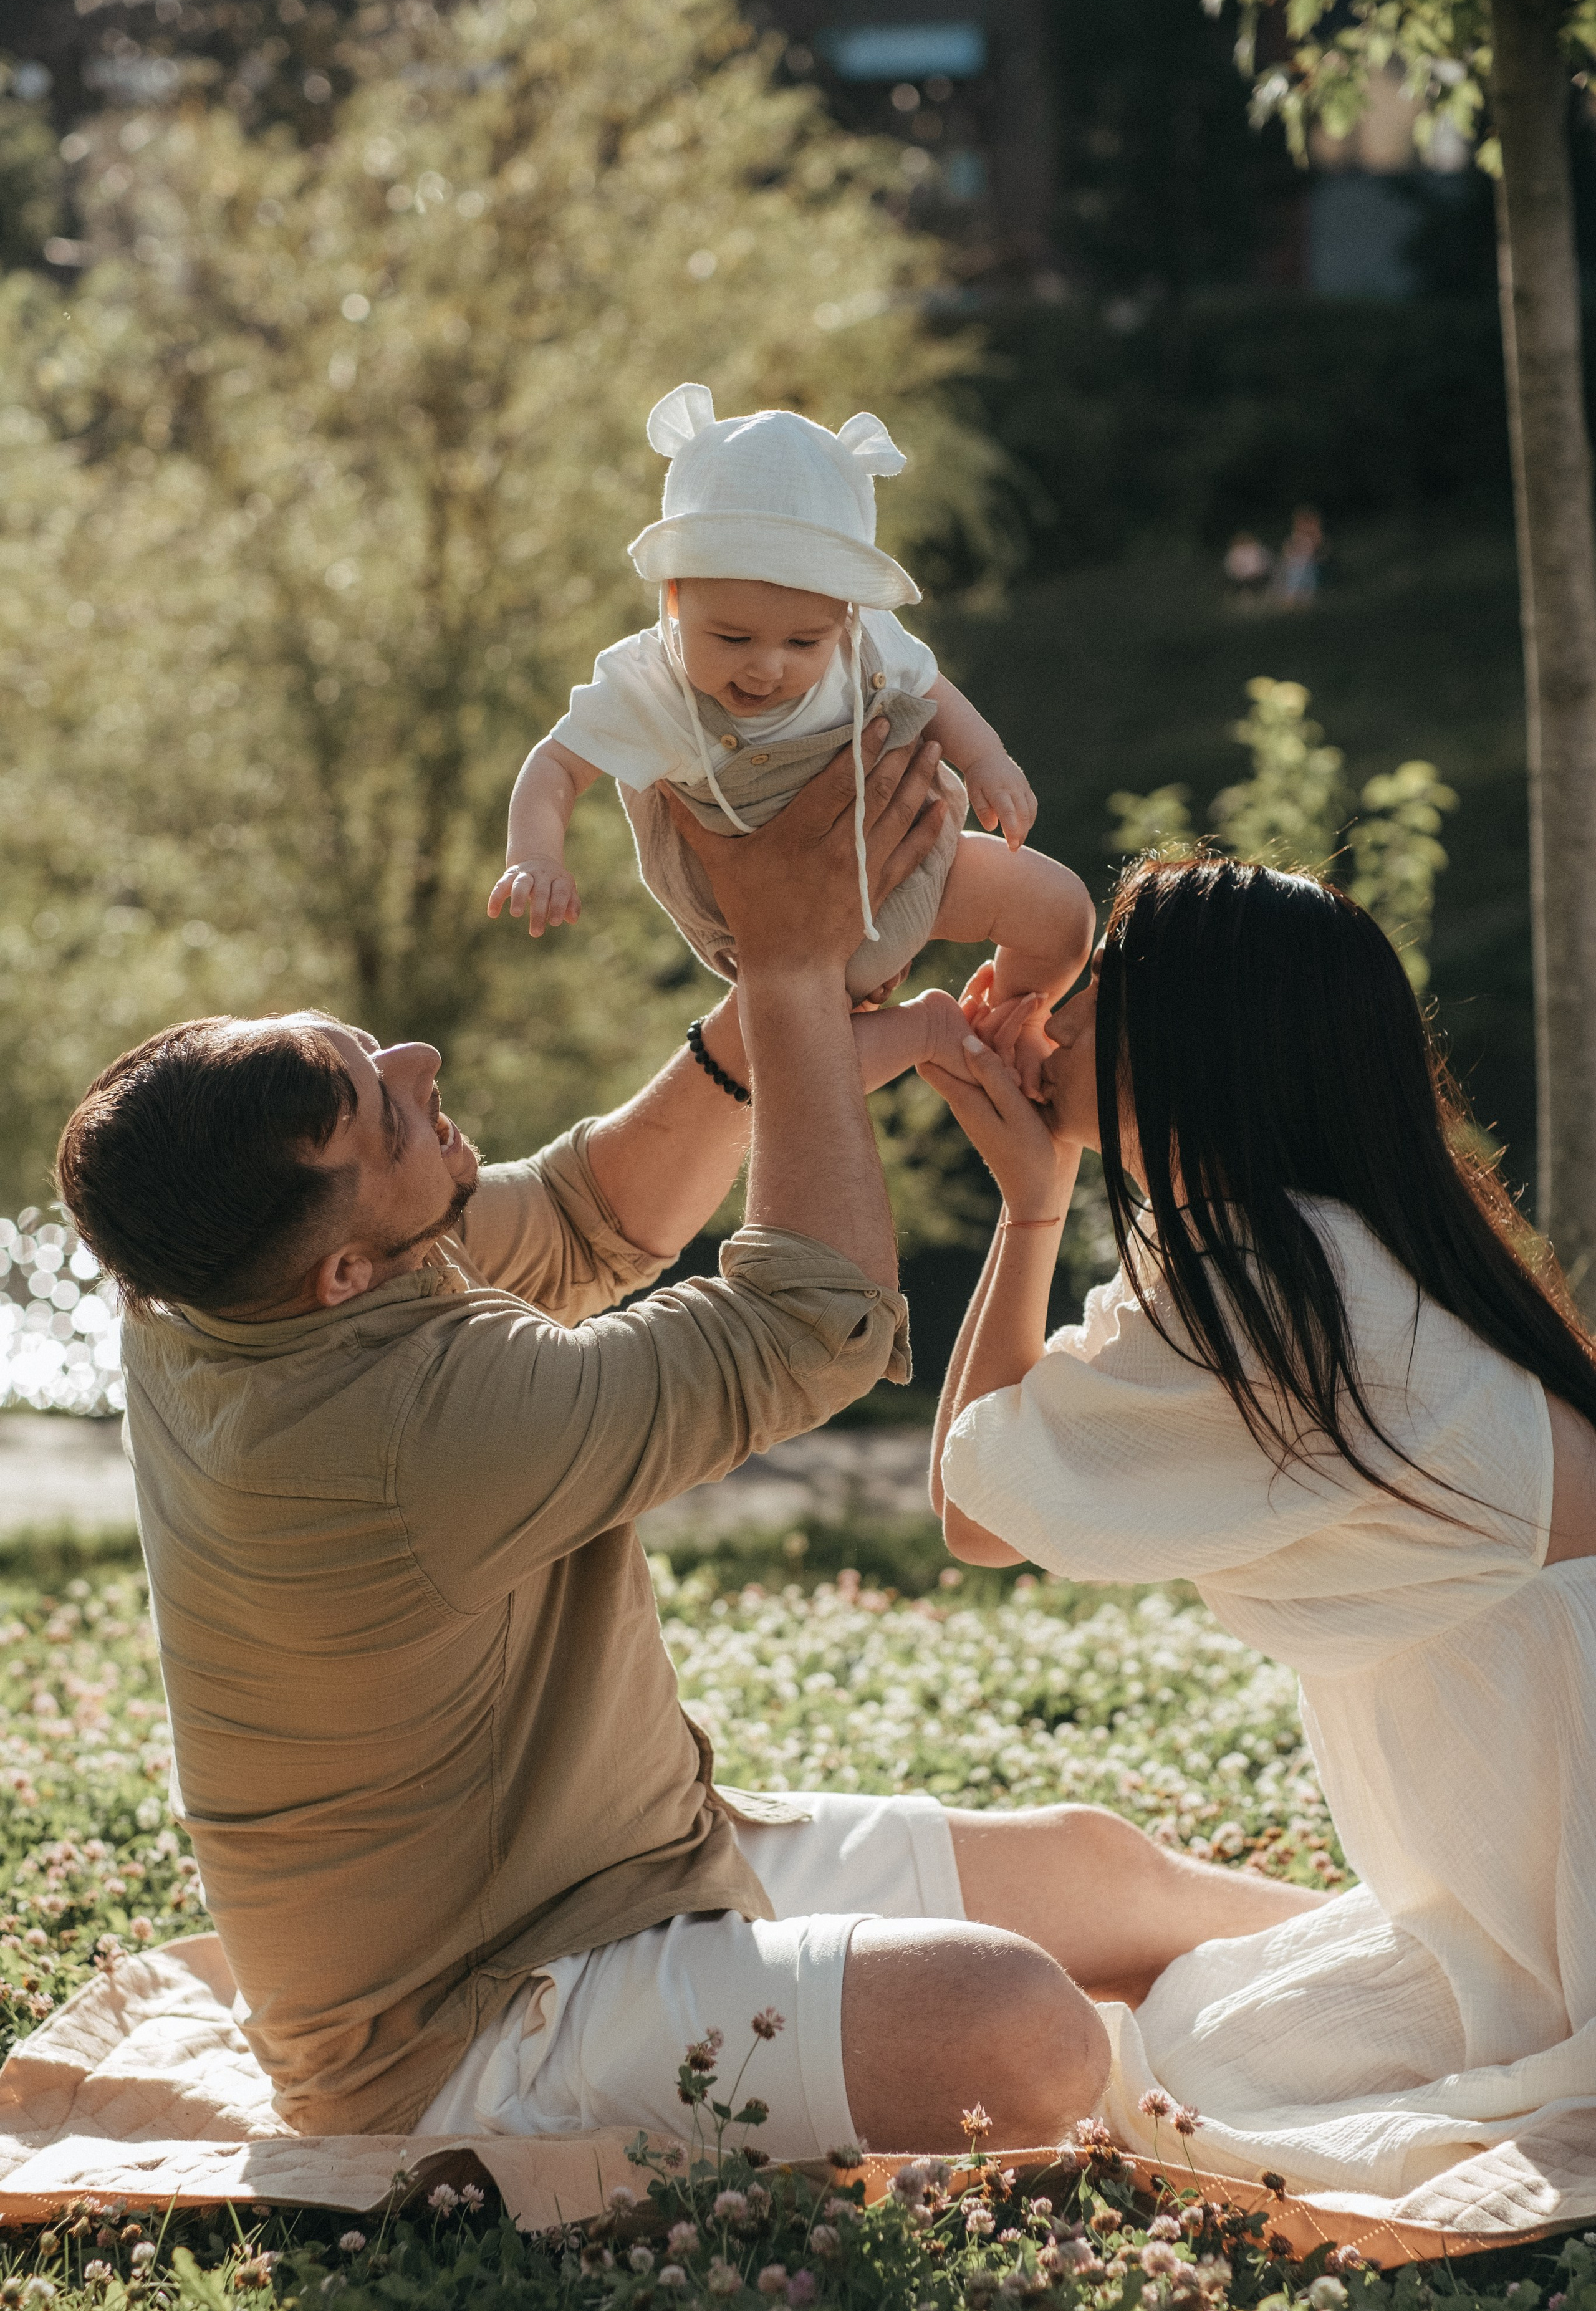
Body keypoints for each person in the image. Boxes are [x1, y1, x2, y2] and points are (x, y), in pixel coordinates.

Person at [53, 745, 1303, 2162]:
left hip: (630, 1866)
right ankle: (1285, 2055)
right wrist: (784, 979)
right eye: (383, 1105)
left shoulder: (230, 1292)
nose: (420, 1061)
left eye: (367, 1048)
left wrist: (775, 1018)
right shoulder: (404, 1434)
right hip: (474, 2024)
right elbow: (804, 1323)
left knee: (1097, 1866)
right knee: (1011, 2024)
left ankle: (1423, 1969)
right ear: (342, 1269)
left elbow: (592, 1219)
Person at [920, 853, 1596, 2198]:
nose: (1050, 1016)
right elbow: (986, 1482)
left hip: (1555, 1888)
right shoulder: (1287, 1255)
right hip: (1509, 1873)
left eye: (1092, 988)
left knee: (1179, 2081)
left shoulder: (1282, 1292)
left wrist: (1028, 1200)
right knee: (1184, 2022)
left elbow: (970, 1505)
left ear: (1195, 1037)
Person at [487, 382, 1094, 1095]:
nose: (767, 666)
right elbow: (556, 765)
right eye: (732, 636)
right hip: (773, 928)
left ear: (844, 613)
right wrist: (536, 854)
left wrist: (987, 758)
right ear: (676, 596)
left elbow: (931, 688)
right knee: (806, 1070)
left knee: (1061, 910)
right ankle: (925, 1033)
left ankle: (1011, 1030)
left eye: (805, 640)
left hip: (911, 863)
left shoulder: (865, 641)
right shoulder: (649, 686)